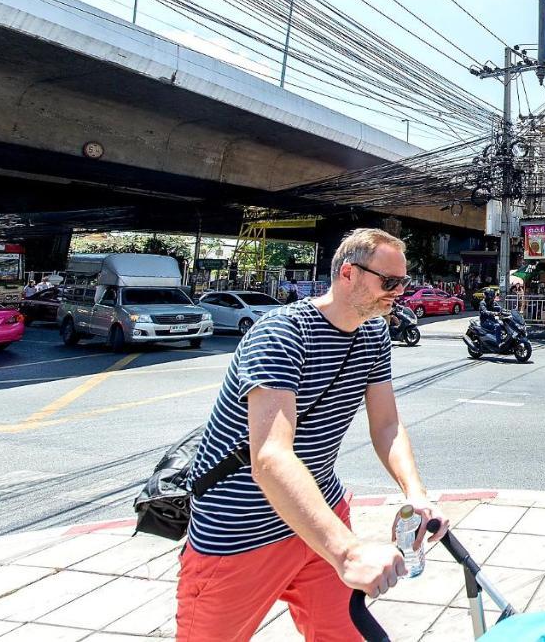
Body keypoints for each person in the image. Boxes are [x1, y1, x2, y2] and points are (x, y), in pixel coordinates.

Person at [178, 228, 450, 640]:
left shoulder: (374, 332)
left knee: (344, 634)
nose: (398, 293)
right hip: (241, 532)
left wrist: (416, 494)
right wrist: (348, 551)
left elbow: (387, 424)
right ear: (348, 273)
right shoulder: (282, 333)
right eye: (388, 282)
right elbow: (271, 456)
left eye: (403, 282)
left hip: (322, 513)